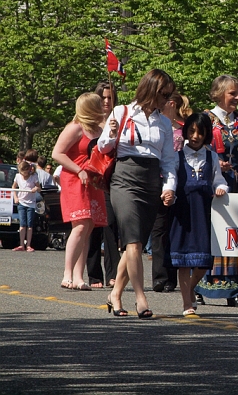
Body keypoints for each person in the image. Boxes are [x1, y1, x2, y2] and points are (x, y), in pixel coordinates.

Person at [98, 69, 177, 319]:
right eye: (164, 94)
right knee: (132, 241)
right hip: (124, 178)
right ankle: (141, 298)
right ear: (151, 90)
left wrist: (169, 187)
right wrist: (111, 133)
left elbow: (168, 160)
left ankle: (115, 295)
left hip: (151, 181)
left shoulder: (164, 122)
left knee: (137, 245)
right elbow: (103, 147)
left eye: (170, 95)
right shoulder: (121, 112)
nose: (167, 100)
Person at [198, 75, 238, 307]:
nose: (237, 97)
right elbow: (193, 149)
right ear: (219, 93)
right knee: (212, 235)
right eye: (232, 93)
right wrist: (214, 162)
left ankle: (236, 290)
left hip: (237, 186)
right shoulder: (205, 119)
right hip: (211, 186)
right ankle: (201, 287)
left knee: (237, 236)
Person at [167, 113, 229, 316]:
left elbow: (218, 180)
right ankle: (187, 303)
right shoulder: (177, 156)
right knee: (183, 260)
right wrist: (168, 192)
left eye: (200, 132)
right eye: (192, 131)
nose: (195, 136)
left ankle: (191, 288)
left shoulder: (211, 156)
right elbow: (171, 180)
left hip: (203, 213)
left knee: (203, 261)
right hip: (183, 212)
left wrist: (221, 188)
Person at [52, 93, 108, 289]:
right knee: (80, 225)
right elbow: (57, 153)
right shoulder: (75, 128)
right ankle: (67, 273)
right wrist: (78, 170)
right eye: (99, 103)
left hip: (93, 182)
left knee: (89, 227)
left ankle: (79, 276)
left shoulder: (100, 129)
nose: (103, 105)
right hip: (75, 181)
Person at [150, 91, 191, 293]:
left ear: (171, 104)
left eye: (162, 104)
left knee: (177, 230)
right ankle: (160, 276)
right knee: (159, 230)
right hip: (158, 182)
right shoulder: (155, 126)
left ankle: (175, 276)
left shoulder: (184, 130)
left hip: (181, 184)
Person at [86, 81, 121, 289]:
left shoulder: (118, 121)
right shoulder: (89, 124)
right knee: (93, 228)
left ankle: (113, 272)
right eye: (103, 98)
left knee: (110, 225)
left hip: (111, 180)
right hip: (92, 180)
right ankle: (93, 273)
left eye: (110, 98)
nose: (106, 102)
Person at [11, 161, 40, 252]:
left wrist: (35, 188)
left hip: (31, 203)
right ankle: (21, 244)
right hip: (21, 202)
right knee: (22, 224)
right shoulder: (18, 176)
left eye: (23, 172)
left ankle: (28, 245)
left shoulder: (33, 177)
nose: (22, 174)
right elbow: (13, 187)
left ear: (28, 170)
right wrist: (15, 197)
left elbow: (39, 188)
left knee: (29, 225)